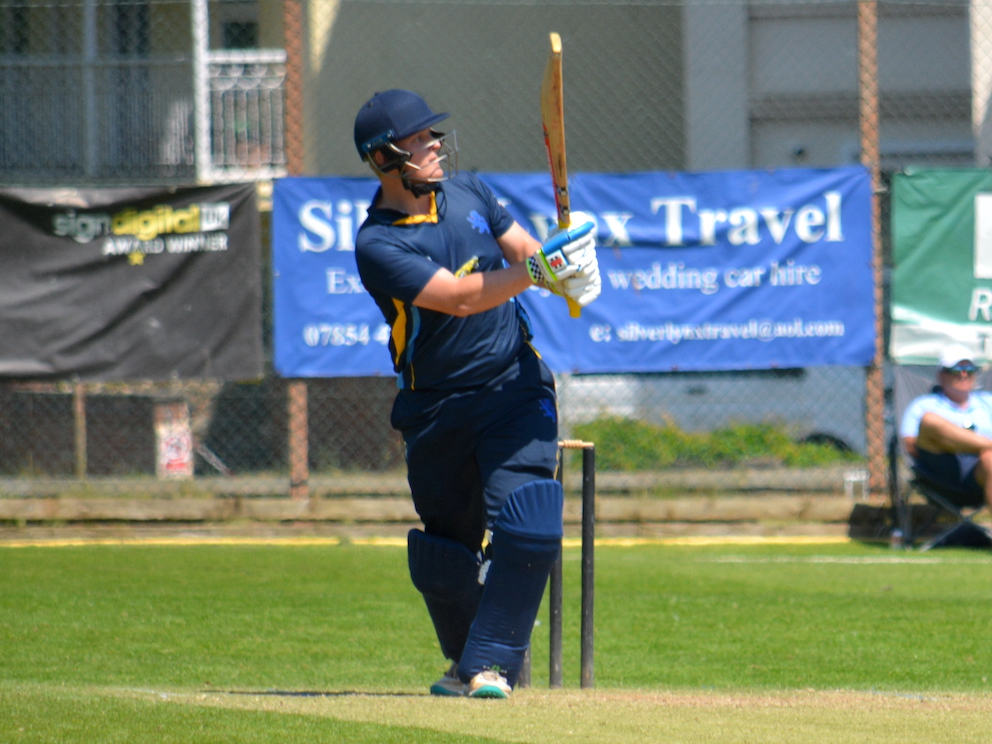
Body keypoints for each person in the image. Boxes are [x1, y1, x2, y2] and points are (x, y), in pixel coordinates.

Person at [351, 89, 602, 698]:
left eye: (434, 135)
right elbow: (460, 299)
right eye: (419, 140)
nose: (435, 145)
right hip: (436, 407)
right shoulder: (378, 245)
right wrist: (539, 272)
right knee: (446, 558)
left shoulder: (471, 193)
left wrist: (567, 269)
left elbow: (523, 255)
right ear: (386, 158)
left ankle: (491, 666)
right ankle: (467, 662)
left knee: (531, 518)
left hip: (512, 385)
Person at [900, 343, 992, 505]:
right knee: (929, 421)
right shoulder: (923, 404)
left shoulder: (988, 402)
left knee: (989, 458)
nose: (964, 375)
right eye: (956, 370)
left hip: (981, 475)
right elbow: (910, 445)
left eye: (970, 370)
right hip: (942, 473)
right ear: (941, 375)